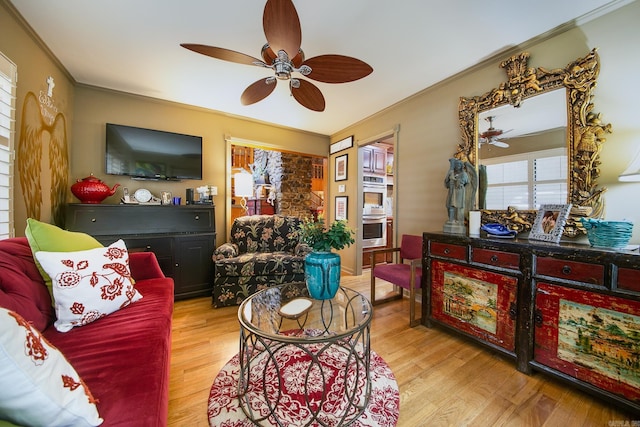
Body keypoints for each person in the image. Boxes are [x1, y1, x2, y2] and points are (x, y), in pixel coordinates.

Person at [445, 158, 469, 223]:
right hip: (452, 191)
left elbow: (467, 183)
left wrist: (459, 182)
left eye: (458, 164)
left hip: (459, 192)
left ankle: (458, 220)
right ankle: (451, 219)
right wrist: (450, 173)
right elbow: (446, 183)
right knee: (449, 205)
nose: (457, 166)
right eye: (455, 164)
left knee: (458, 207)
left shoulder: (464, 174)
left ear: (461, 165)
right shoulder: (451, 173)